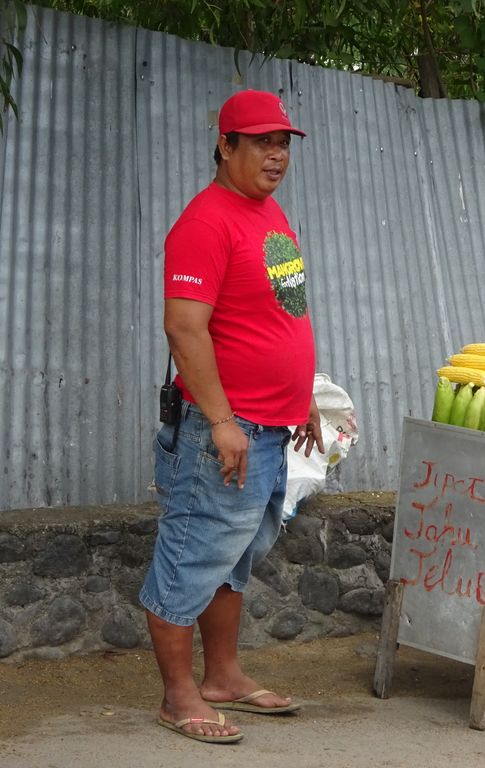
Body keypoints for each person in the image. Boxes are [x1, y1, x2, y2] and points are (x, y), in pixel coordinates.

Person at [138, 89, 324, 744]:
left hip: (272, 425)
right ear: (225, 144)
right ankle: (178, 695)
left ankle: (221, 676)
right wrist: (220, 421)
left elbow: (285, 313)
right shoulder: (206, 222)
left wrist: (303, 397)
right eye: (262, 141)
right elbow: (184, 329)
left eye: (284, 143)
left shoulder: (271, 217)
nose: (277, 154)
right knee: (192, 554)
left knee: (233, 556)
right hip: (225, 430)